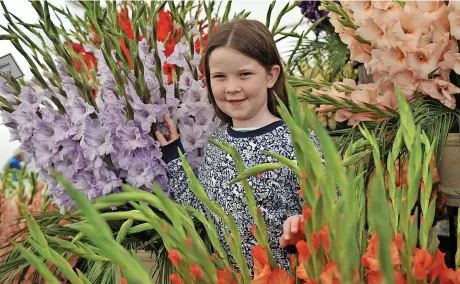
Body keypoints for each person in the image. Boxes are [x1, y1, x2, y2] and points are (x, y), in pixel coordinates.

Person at [155, 19, 325, 270]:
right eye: (220, 77)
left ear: (270, 75)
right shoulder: (217, 144)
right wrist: (173, 153)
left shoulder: (300, 142)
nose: (232, 88)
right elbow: (200, 209)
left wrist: (304, 227)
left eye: (245, 74)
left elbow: (334, 208)